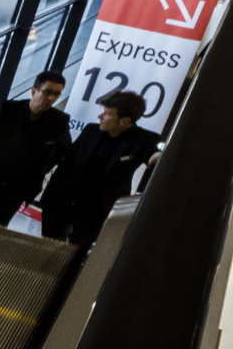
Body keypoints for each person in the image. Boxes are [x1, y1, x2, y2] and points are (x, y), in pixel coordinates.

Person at [39, 90, 163, 249]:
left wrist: (156, 156)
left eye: (106, 113)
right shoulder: (91, 130)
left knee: (76, 253)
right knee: (46, 246)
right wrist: (49, 196)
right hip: (62, 200)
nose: (100, 117)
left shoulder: (144, 139)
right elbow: (67, 162)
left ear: (124, 121)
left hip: (96, 211)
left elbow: (151, 154)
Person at [0, 70, 72, 225]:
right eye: (47, 92)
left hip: (16, 190)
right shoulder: (7, 109)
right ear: (34, 91)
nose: (51, 98)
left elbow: (65, 152)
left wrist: (42, 168)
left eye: (57, 94)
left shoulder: (59, 122)